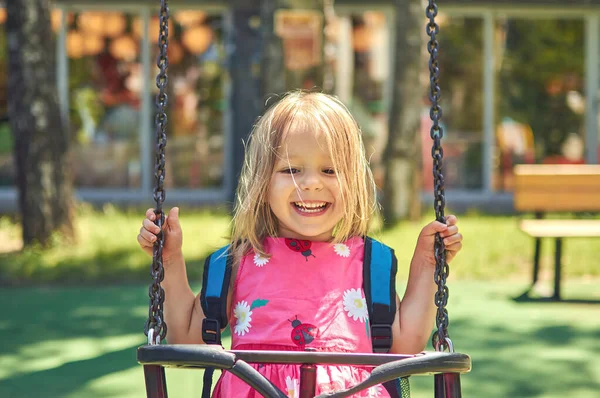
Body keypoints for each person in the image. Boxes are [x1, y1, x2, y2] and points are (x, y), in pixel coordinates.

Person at [137, 91, 463, 397]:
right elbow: (188, 337)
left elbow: (402, 344)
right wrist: (168, 261)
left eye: (329, 170)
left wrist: (428, 265)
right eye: (291, 169)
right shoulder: (239, 261)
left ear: (354, 181)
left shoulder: (368, 265)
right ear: (263, 182)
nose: (310, 183)